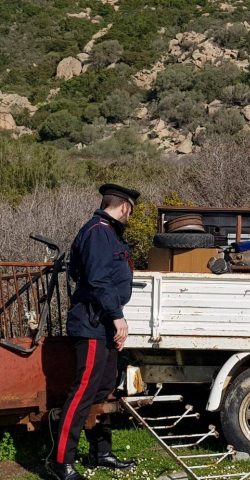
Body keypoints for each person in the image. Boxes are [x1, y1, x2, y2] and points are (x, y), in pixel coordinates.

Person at [50, 184, 139, 480]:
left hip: (102, 324)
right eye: (131, 211)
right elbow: (99, 280)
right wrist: (118, 318)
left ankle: (100, 452)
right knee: (83, 393)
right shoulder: (99, 232)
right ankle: (61, 462)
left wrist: (113, 320)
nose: (130, 216)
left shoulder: (109, 233)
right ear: (124, 206)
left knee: (103, 390)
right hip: (91, 324)